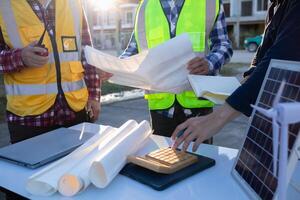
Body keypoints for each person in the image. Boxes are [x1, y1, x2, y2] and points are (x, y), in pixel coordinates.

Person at [172, 0, 300, 152]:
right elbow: (262, 60)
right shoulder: (276, 5)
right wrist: (244, 85)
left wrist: (219, 117)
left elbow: (281, 60)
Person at [0, 0, 109, 144]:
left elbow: (86, 51)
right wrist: (19, 57)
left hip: (76, 112)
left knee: (80, 165)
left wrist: (94, 95)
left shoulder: (74, 3)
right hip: (29, 120)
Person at [120, 0, 233, 138]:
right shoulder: (145, 6)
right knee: (162, 158)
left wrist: (209, 63)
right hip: (160, 108)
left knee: (201, 158)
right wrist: (114, 67)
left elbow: (223, 45)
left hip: (197, 106)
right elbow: (134, 49)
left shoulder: (209, 3)